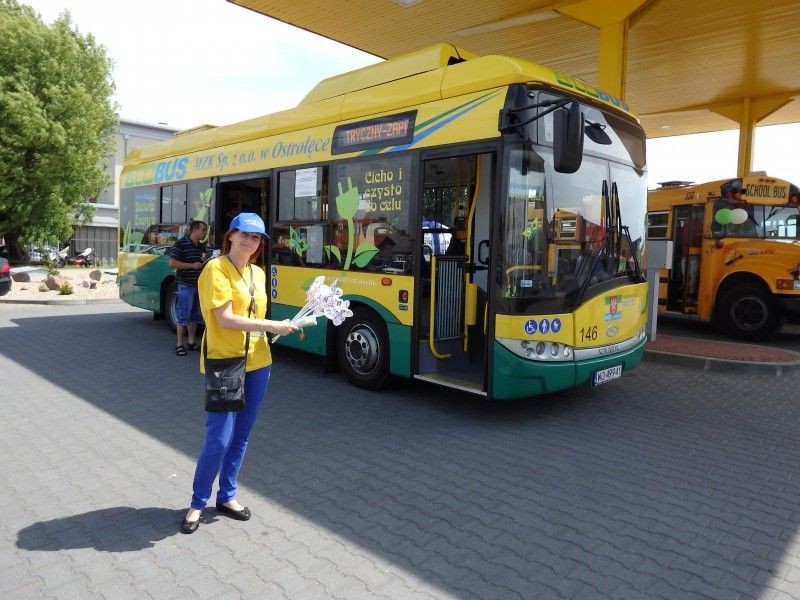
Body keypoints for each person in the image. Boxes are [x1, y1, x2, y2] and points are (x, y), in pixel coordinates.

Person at [181, 212, 299, 534]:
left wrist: (277, 330)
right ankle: (197, 502)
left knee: (242, 435)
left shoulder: (258, 274)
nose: (250, 241)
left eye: (257, 237)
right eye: (245, 234)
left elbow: (254, 315)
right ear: (230, 235)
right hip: (225, 362)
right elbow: (225, 319)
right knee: (218, 439)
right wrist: (272, 325)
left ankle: (227, 495)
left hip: (259, 361)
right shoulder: (214, 269)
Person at [168, 220, 208, 355]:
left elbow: (201, 264)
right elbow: (172, 263)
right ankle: (179, 344)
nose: (205, 233)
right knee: (183, 315)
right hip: (186, 285)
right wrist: (192, 265)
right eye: (203, 230)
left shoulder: (201, 247)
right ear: (195, 230)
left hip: (199, 285)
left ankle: (191, 342)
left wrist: (205, 261)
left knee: (195, 316)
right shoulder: (181, 243)